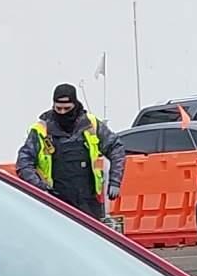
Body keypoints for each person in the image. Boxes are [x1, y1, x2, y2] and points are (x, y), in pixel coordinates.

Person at [15, 83, 124, 220]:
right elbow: (23, 162)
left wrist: (115, 181)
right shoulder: (42, 130)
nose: (62, 113)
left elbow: (116, 147)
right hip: (56, 203)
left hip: (89, 203)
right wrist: (41, 189)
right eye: (58, 108)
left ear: (75, 105)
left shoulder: (90, 124)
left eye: (67, 108)